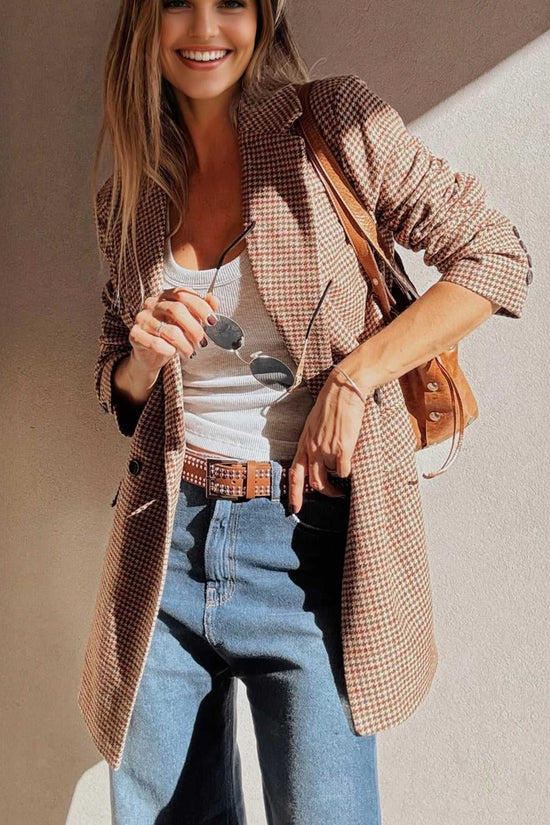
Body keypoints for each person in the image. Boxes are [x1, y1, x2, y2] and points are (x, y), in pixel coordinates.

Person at [78, 1, 532, 822]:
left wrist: (358, 377)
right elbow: (116, 386)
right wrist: (141, 359)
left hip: (309, 548)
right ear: (144, 23)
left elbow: (496, 258)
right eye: (179, 3)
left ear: (264, 16)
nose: (204, 28)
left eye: (231, 4)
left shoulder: (336, 124)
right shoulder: (130, 196)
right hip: (165, 547)